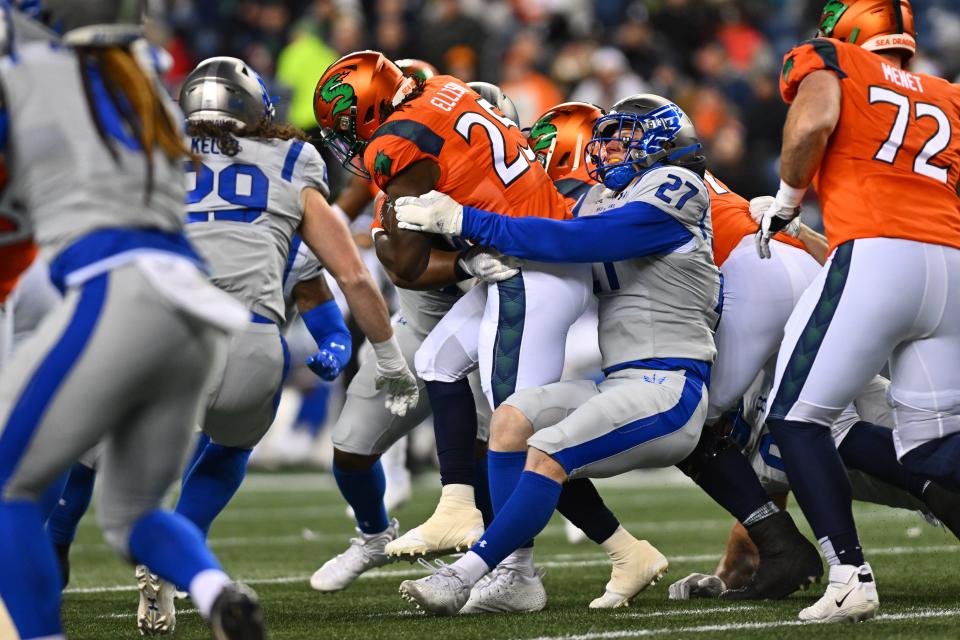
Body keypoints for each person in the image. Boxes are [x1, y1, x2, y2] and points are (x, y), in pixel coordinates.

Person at [393, 95, 819, 615]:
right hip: (619, 381)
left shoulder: (677, 186)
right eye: (606, 139)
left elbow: (584, 238)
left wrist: (469, 220)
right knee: (512, 419)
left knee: (549, 451)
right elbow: (553, 241)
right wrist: (474, 253)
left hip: (670, 384)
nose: (609, 150)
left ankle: (466, 574)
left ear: (664, 143)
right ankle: (516, 579)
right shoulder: (600, 197)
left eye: (624, 139)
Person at [0, 2, 267, 638]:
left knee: (8, 486)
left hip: (114, 287)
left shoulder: (31, 64)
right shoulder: (142, 76)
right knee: (132, 515)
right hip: (192, 307)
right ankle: (214, 590)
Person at [124, 55, 418, 632]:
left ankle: (54, 560)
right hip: (248, 342)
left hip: (159, 338)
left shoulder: (151, 155)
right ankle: (178, 560)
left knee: (87, 469)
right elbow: (352, 277)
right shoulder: (292, 156)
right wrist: (387, 358)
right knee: (228, 451)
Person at [753, 0, 960, 623]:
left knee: (793, 419)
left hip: (876, 254)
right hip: (950, 263)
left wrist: (788, 202)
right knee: (931, 448)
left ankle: (849, 575)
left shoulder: (831, 58)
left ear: (846, 29)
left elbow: (813, 123)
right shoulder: (948, 93)